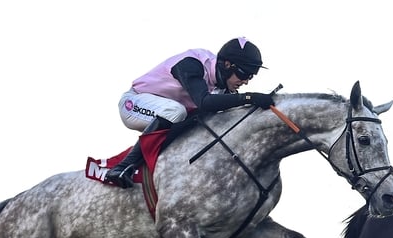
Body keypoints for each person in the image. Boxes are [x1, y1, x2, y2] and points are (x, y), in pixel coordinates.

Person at [106, 37, 276, 188]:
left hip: (163, 112)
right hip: (133, 103)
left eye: (250, 77)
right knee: (177, 111)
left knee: (202, 120)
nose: (245, 81)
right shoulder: (193, 63)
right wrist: (249, 98)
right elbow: (205, 101)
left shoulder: (221, 86)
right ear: (226, 64)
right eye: (244, 74)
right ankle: (123, 166)